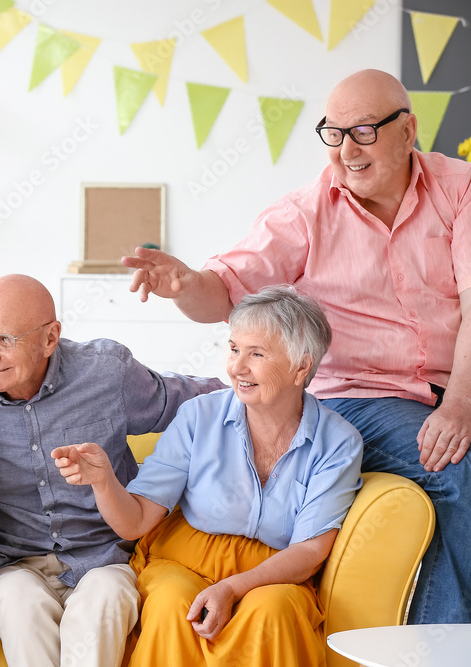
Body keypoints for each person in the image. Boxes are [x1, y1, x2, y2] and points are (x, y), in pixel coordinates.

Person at [124, 68, 471, 625]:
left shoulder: (460, 189)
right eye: (332, 134)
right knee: (459, 467)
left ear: (408, 131)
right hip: (360, 399)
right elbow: (224, 292)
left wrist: (460, 403)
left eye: (363, 132)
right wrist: (185, 285)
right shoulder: (304, 213)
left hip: (451, 388)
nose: (345, 151)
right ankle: (440, 652)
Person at [0, 274, 224, 667]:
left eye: (4, 339)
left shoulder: (107, 373)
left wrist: (267, 389)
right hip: (14, 564)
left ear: (50, 337)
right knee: (18, 607)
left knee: (103, 604)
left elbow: (198, 402)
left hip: (105, 558)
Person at [54, 286, 363, 666]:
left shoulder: (338, 442)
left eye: (257, 354)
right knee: (171, 605)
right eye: (234, 349)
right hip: (183, 560)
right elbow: (134, 523)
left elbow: (310, 550)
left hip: (274, 571)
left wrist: (231, 589)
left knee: (277, 610)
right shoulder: (198, 416)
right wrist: (103, 482)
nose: (237, 368)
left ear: (302, 366)